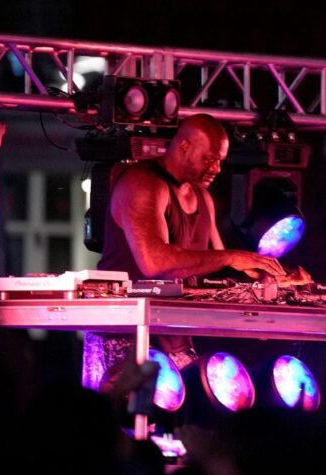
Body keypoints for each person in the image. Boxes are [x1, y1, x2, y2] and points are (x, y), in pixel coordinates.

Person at [83, 113, 285, 392]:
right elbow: (155, 263)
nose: (216, 168)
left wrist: (273, 279)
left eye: (220, 161)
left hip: (174, 337)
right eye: (208, 159)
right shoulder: (143, 183)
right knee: (125, 428)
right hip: (124, 337)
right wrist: (231, 257)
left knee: (185, 425)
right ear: (184, 147)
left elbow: (219, 266)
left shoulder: (203, 197)